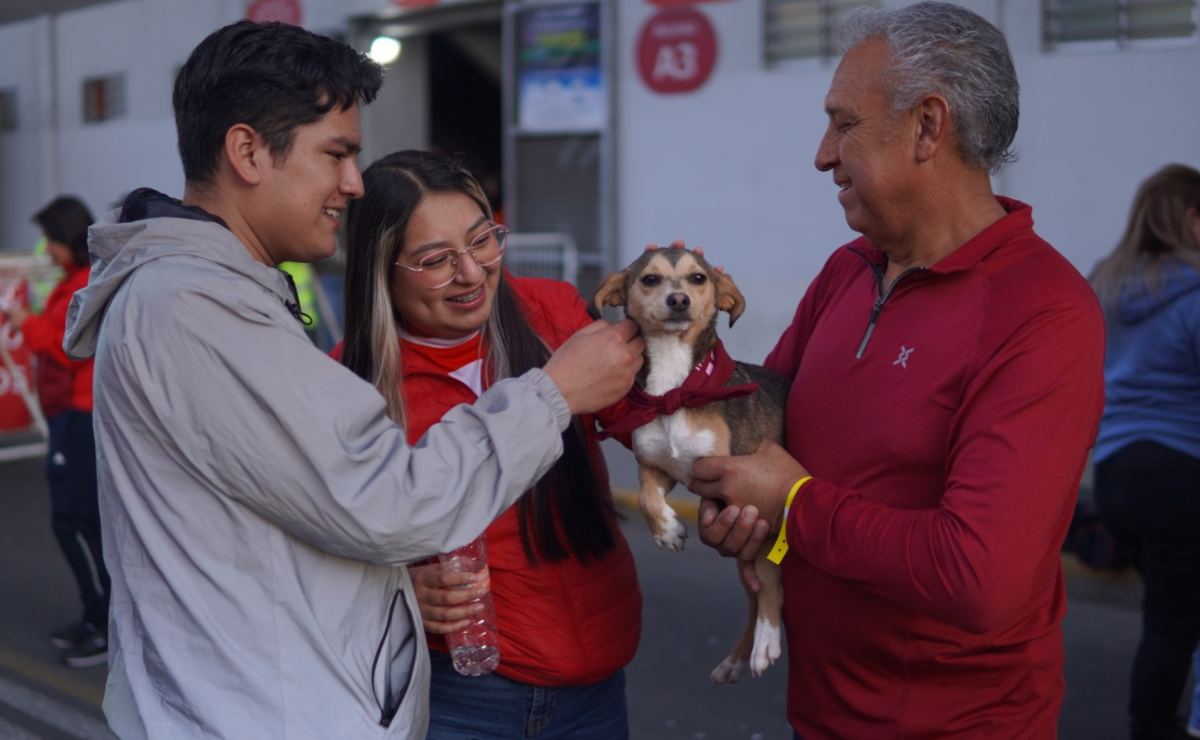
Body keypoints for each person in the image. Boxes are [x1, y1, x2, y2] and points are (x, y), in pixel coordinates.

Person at [61, 21, 642, 739]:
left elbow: (304, 526)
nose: (353, 182)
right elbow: (390, 501)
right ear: (247, 151)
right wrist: (552, 396)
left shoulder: (210, 300)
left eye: (481, 241)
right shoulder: (198, 311)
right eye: (335, 154)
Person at [688, 3, 1106, 737]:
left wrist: (792, 504)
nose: (822, 155)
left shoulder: (1042, 311)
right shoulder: (848, 270)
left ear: (927, 126)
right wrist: (738, 506)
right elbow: (757, 439)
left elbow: (978, 577)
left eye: (844, 123)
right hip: (821, 712)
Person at [334, 149, 640, 739]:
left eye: (482, 241)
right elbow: (313, 549)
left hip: (599, 684)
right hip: (460, 696)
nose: (472, 273)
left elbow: (652, 421)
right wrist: (392, 590)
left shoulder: (552, 313)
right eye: (436, 260)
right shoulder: (348, 385)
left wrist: (677, 321)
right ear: (379, 268)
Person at [1088, 163, 1200, 740]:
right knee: (1174, 626)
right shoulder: (1196, 292)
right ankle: (1152, 729)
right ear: (1192, 221)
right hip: (1181, 473)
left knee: (1165, 617)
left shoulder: (1102, 286)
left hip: (1115, 475)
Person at [1, 196, 110, 668]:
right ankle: (97, 617)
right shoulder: (74, 281)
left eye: (50, 237)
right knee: (78, 521)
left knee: (76, 521)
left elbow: (68, 347)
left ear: (67, 238)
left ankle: (104, 622)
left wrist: (26, 323)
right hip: (69, 414)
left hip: (78, 414)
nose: (45, 247)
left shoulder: (85, 283)